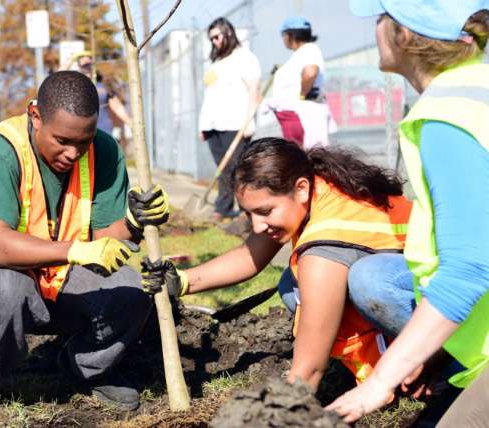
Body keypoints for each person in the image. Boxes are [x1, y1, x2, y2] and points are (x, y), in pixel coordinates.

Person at [0, 71, 170, 418]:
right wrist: (74, 251)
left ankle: (85, 368)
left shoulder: (104, 151)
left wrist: (134, 222)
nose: (74, 153)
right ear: (35, 116)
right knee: (8, 287)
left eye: (84, 141)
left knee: (131, 289)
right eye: (63, 140)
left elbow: (101, 241)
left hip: (62, 275)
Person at [327, 1, 489, 425]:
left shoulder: (448, 115)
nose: (374, 28)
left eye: (381, 17)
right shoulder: (477, 86)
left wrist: (380, 382)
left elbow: (469, 268)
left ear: (404, 34)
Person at [142, 137, 412, 389]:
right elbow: (249, 257)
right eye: (249, 214)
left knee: (362, 280)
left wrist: (284, 410)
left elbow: (308, 371)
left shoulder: (324, 246)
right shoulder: (311, 187)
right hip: (403, 278)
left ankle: (421, 363)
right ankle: (384, 354)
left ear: (301, 189)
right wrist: (182, 281)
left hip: (432, 296)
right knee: (291, 284)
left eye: (264, 212)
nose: (257, 226)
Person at [198, 17, 262, 221]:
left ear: (228, 33)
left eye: (217, 37)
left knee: (239, 170)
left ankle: (247, 210)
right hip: (212, 125)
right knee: (223, 170)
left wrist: (250, 120)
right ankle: (223, 208)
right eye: (212, 39)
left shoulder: (245, 57)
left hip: (235, 123)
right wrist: (203, 124)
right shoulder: (216, 62)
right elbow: (210, 94)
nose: (215, 42)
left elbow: (254, 90)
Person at [267, 16, 336, 148]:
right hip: (295, 114)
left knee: (301, 158)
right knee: (299, 157)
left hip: (300, 115)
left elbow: (310, 72)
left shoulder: (309, 49)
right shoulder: (302, 53)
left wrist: (302, 94)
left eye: (283, 35)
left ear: (290, 35)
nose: (283, 39)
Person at [74, 53, 132, 137]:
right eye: (85, 65)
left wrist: (130, 123)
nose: (88, 67)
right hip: (81, 132)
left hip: (104, 130)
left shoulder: (104, 86)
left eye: (90, 64)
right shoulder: (74, 86)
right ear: (79, 66)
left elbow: (116, 106)